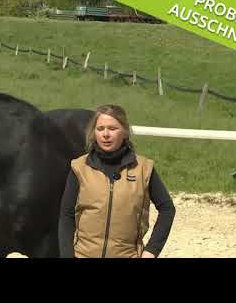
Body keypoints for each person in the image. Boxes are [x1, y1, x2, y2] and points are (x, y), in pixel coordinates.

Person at [58, 104, 176, 258]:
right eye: (100, 129)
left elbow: (167, 209)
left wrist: (152, 250)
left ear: (125, 132)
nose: (105, 134)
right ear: (94, 133)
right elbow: (66, 215)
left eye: (112, 129)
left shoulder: (144, 169)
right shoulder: (79, 167)